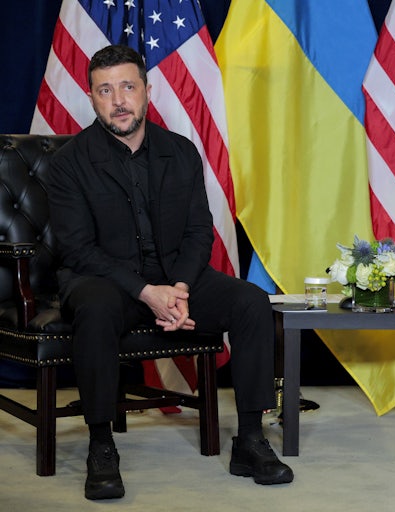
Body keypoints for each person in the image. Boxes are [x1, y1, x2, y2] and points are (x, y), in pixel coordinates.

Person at [46, 45, 293, 500]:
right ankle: (101, 445)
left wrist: (177, 288)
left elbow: (201, 231)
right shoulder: (69, 164)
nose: (118, 99)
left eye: (127, 87)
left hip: (177, 277)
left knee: (252, 302)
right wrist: (146, 292)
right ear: (92, 97)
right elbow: (78, 249)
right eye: (105, 90)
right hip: (107, 282)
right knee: (97, 310)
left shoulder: (180, 152)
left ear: (146, 91)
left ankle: (251, 439)